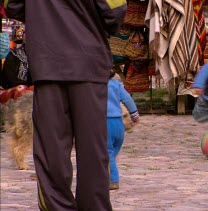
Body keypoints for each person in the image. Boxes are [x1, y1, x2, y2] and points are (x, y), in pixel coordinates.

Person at [5, 0, 127, 210]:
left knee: (51, 150)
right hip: (88, 62)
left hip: (47, 62)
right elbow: (114, 13)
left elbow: (12, 6)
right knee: (93, 148)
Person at [107, 70, 139, 190]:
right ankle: (107, 172)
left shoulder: (95, 86)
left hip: (105, 123)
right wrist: (135, 116)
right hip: (118, 124)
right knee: (112, 152)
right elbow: (127, 100)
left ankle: (113, 180)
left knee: (107, 153)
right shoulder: (116, 84)